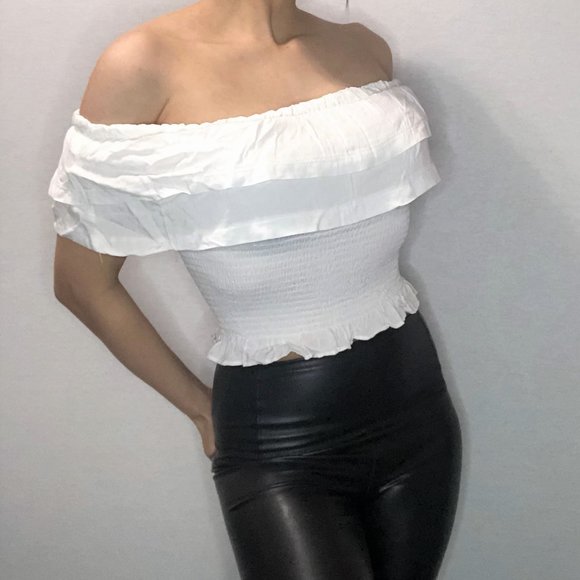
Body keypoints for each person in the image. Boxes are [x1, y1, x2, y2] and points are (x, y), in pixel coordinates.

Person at [48, 1, 463, 578]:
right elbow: (81, 283)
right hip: (279, 439)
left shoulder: (363, 48)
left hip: (417, 411)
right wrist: (200, 410)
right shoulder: (142, 64)